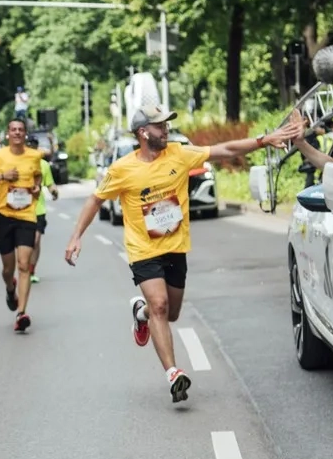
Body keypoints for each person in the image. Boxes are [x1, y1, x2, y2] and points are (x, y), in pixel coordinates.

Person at [64, 104, 304, 402]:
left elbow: (225, 148)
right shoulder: (122, 169)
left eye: (166, 125)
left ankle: (141, 314)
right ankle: (173, 373)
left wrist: (263, 140)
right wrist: (76, 237)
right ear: (143, 132)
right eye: (159, 126)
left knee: (170, 313)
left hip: (175, 248)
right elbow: (95, 200)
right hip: (143, 251)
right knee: (161, 306)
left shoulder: (179, 153)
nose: (165, 130)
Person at [0, 117, 44, 332]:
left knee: (24, 265)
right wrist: (3, 176)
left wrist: (37, 188)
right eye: (13, 130)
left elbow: (38, 177)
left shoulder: (35, 155)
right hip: (3, 215)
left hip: (27, 216)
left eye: (21, 130)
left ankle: (21, 313)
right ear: (7, 133)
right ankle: (9, 288)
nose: (17, 133)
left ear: (25, 133)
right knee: (8, 268)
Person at [25, 136, 60, 284]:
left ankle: (31, 270)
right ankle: (23, 267)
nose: (31, 148)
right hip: (19, 210)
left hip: (38, 209)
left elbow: (49, 184)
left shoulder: (43, 165)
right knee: (24, 243)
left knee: (36, 240)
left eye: (34, 145)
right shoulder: (18, 163)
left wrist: (54, 192)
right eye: (29, 145)